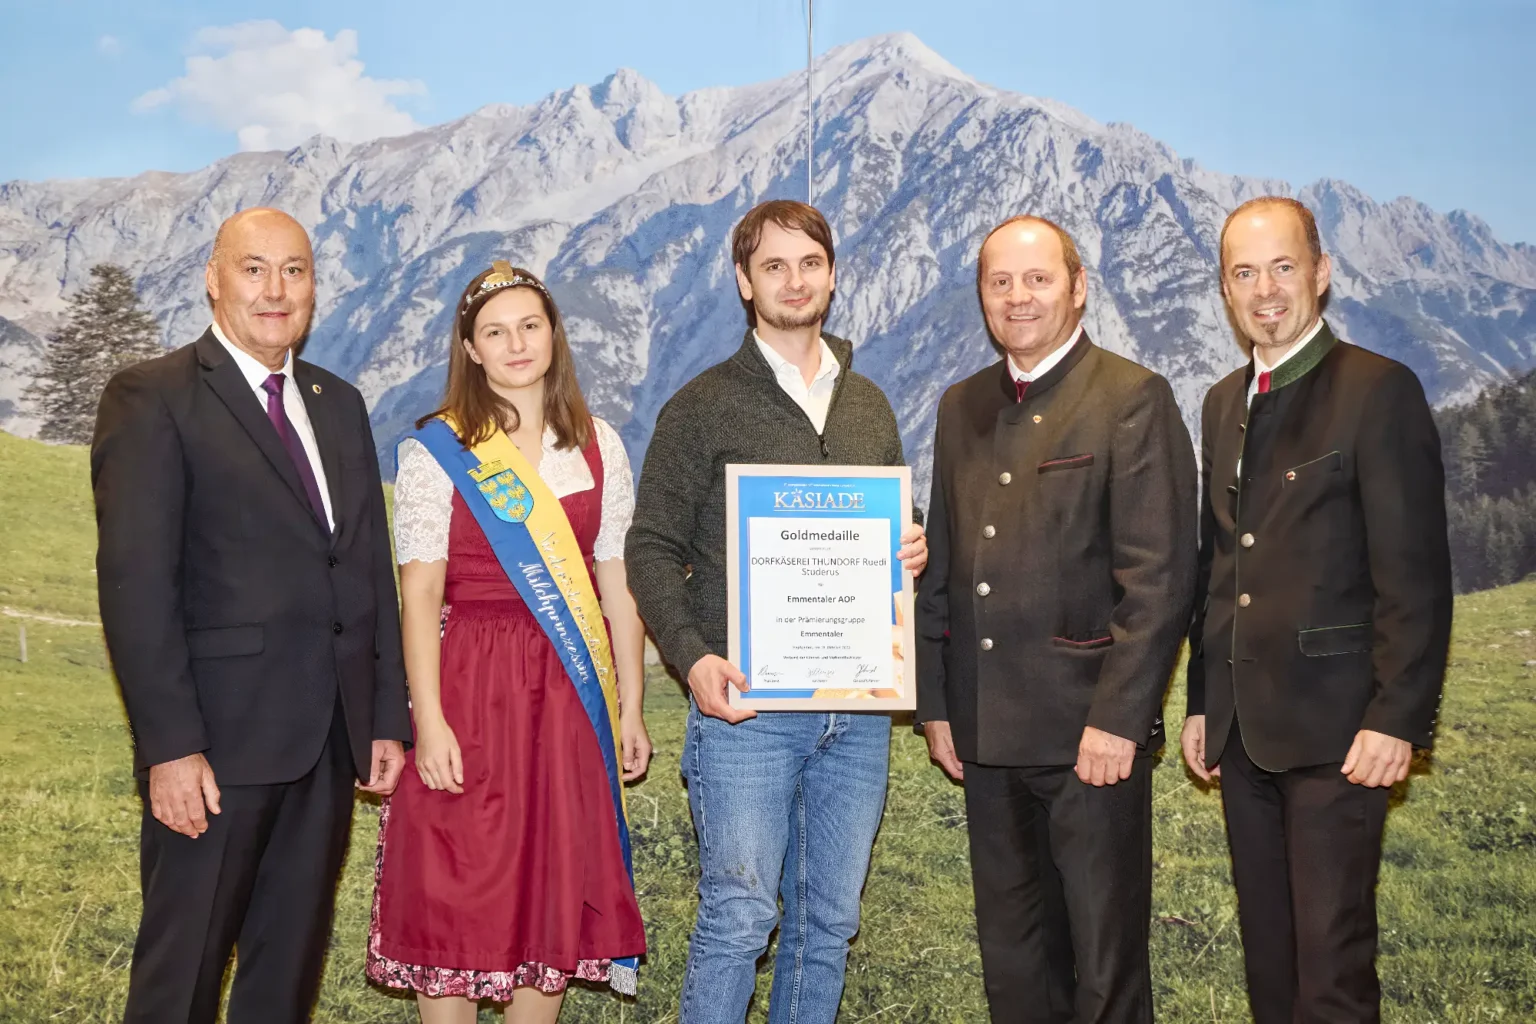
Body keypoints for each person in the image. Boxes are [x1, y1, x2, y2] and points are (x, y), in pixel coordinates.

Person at [92, 208, 411, 1024]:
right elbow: (136, 585)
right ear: (213, 277)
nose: (277, 290)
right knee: (182, 975)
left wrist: (383, 716)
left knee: (285, 976)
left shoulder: (337, 402)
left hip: (329, 746)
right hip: (215, 753)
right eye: (255, 269)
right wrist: (171, 748)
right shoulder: (151, 397)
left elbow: (366, 565)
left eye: (295, 271)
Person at [625, 199, 927, 1024]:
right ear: (744, 282)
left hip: (857, 712)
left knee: (828, 923)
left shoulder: (868, 403)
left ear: (832, 274)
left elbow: (898, 522)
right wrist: (693, 660)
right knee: (740, 917)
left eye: (810, 264)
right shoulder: (702, 405)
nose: (795, 281)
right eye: (774, 266)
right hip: (745, 707)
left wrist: (913, 546)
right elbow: (649, 549)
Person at [915, 216, 1196, 1023]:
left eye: (1037, 279)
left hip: (1089, 743)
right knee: (1014, 965)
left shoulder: (1132, 397)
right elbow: (942, 562)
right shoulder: (959, 405)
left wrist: (1118, 721)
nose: (1018, 296)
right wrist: (936, 705)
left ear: (1078, 287)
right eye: (999, 282)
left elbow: (1160, 579)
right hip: (985, 735)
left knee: (1104, 971)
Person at [1182, 197, 1452, 1023]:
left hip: (1341, 734)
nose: (1265, 289)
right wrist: (1200, 701)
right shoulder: (1222, 402)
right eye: (1244, 273)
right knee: (1270, 961)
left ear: (1322, 273)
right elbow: (1219, 565)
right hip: (1241, 733)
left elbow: (1415, 576)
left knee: (1331, 971)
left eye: (1283, 266)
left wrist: (1397, 719)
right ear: (1226, 293)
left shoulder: (1380, 390)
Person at [366, 261, 650, 1023]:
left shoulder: (600, 447)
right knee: (456, 883)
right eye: (495, 332)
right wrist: (426, 719)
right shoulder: (437, 451)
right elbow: (419, 594)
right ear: (471, 348)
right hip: (470, 683)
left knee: (550, 881)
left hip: (567, 693)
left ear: (554, 334)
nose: (516, 343)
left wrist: (628, 710)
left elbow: (616, 585)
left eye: (530, 326)